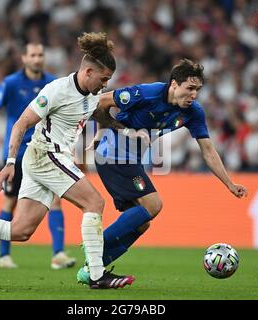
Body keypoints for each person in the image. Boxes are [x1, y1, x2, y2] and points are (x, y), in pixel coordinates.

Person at [0, 32, 142, 289]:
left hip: (46, 158)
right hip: (45, 155)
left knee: (20, 230)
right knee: (94, 202)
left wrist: (124, 128)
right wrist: (9, 163)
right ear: (87, 72)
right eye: (103, 79)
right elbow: (21, 123)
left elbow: (96, 115)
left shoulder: (92, 94)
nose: (104, 85)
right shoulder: (56, 90)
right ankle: (96, 275)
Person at [77, 59, 248, 284]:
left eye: (197, 89)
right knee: (153, 205)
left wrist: (229, 183)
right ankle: (94, 247)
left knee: (142, 222)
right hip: (112, 154)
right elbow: (99, 103)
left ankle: (91, 269)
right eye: (190, 88)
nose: (194, 95)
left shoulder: (194, 112)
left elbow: (208, 151)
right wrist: (119, 129)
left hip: (131, 160)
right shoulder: (145, 94)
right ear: (174, 85)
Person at [0, 42, 75, 269]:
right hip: (17, 153)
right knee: (10, 202)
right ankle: (4, 255)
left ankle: (58, 255)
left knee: (56, 200)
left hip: (43, 151)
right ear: (24, 58)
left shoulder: (52, 83)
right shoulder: (11, 83)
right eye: (32, 55)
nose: (37, 59)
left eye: (40, 54)